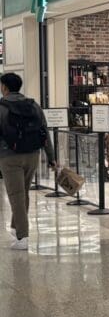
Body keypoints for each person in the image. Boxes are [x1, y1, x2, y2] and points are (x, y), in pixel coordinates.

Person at [0, 73, 56, 250]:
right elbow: (44, 132)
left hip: (9, 156)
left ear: (4, 87)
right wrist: (51, 158)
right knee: (23, 192)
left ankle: (23, 236)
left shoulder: (1, 107)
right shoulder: (33, 105)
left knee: (15, 195)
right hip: (32, 155)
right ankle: (17, 226)